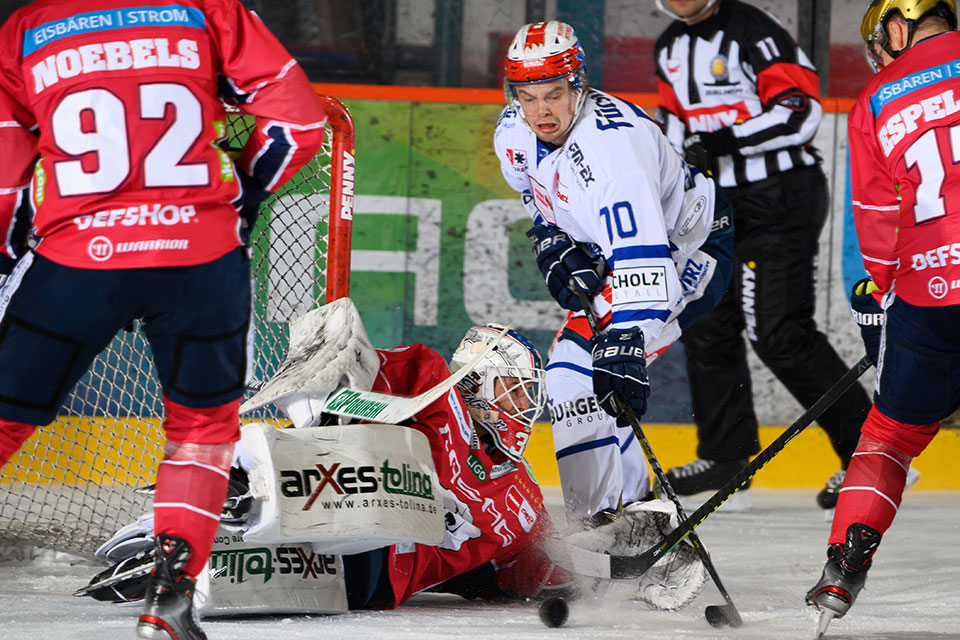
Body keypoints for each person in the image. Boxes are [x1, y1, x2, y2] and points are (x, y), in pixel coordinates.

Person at [0, 1, 327, 637]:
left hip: (77, 261)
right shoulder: (209, 11)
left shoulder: (24, 29)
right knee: (202, 427)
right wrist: (244, 193)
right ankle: (169, 597)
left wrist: (7, 252)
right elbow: (300, 125)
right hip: (201, 258)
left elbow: (5, 184)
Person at [83, 314, 707, 613]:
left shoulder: (521, 498)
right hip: (334, 498)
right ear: (479, 382)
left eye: (529, 394)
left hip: (367, 582)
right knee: (291, 451)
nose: (525, 406)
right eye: (513, 389)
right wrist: (332, 363)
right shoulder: (437, 387)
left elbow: (522, 578)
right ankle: (209, 501)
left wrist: (628, 559)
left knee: (231, 578)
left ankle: (197, 553)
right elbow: (357, 361)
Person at [494, 21, 734, 526]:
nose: (541, 111)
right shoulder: (513, 130)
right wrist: (550, 237)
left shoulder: (612, 157)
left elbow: (646, 266)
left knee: (579, 374)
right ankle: (623, 518)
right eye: (528, 96)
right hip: (620, 248)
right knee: (577, 379)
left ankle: (615, 518)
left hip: (684, 252)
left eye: (554, 95)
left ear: (578, 84)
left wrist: (627, 336)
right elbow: (535, 196)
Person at [653, 0, 874, 510]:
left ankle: (870, 456)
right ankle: (728, 456)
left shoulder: (752, 29)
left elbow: (800, 111)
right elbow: (672, 125)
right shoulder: (668, 45)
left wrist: (722, 141)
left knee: (778, 331)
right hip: (717, 203)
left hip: (780, 195)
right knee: (705, 320)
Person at [805, 0, 959, 634]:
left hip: (928, 294)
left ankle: (845, 566)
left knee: (889, 439)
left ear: (901, 23)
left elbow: (875, 224)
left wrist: (881, 307)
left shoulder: (876, 96)